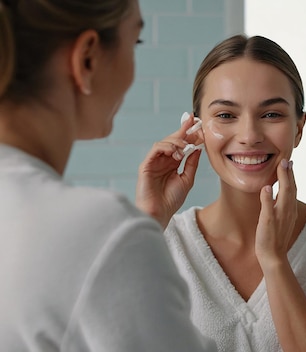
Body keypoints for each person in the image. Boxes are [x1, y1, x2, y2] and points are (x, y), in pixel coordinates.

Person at [136, 34, 306, 352]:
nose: (249, 136)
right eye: (226, 115)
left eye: (271, 115)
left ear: (299, 128)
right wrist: (147, 223)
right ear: (197, 127)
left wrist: (275, 262)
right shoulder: (162, 239)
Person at [0, 0, 217, 350]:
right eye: (136, 42)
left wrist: (142, 224)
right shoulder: (97, 233)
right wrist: (123, 238)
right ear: (87, 59)